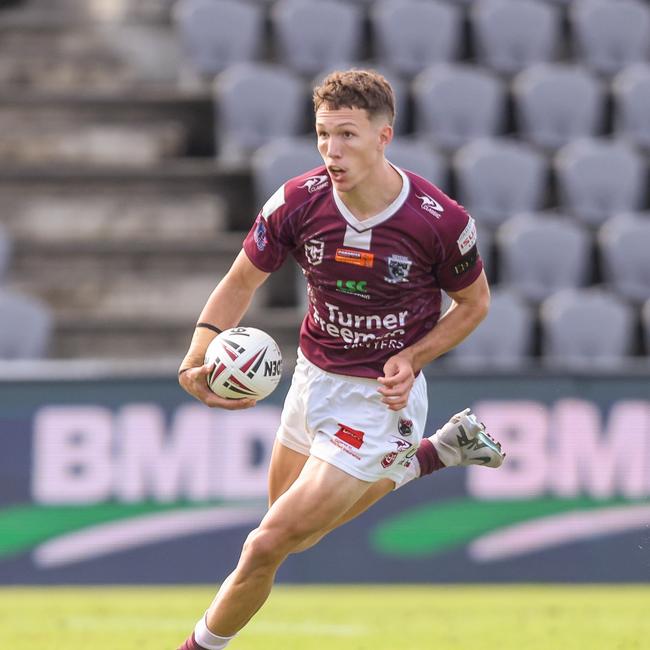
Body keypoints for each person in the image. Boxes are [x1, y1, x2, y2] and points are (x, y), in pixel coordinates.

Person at [176, 69, 504, 650]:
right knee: (288, 532)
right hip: (311, 378)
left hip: (379, 397)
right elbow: (241, 279)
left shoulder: (439, 222)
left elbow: (475, 304)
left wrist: (415, 356)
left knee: (264, 544)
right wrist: (197, 354)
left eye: (347, 135)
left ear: (384, 136)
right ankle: (431, 456)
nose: (332, 150)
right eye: (323, 134)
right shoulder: (298, 201)